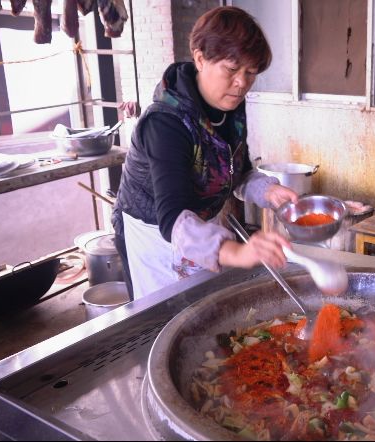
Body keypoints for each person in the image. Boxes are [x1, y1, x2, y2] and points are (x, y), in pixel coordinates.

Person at [111, 6, 298, 299]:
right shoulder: (166, 123)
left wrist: (267, 190)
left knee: (200, 307)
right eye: (232, 69)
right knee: (163, 315)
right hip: (154, 236)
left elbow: (236, 170)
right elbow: (173, 217)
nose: (242, 83)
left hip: (198, 227)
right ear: (200, 58)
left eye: (251, 73)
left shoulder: (229, 107)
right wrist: (236, 251)